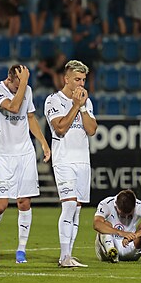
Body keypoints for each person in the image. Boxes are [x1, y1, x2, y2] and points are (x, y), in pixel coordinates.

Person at [0, 65, 51, 264]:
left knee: (24, 202)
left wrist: (43, 142)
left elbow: (30, 117)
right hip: (3, 155)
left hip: (25, 153)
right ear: (9, 78)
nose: (20, 88)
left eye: (22, 84)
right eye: (17, 84)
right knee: (1, 205)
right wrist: (23, 84)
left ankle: (21, 249)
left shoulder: (26, 89)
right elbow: (13, 107)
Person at [44, 60, 97, 268]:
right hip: (64, 160)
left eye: (83, 80)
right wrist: (76, 105)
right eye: (77, 79)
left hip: (83, 161)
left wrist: (83, 107)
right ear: (66, 79)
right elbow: (60, 128)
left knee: (76, 209)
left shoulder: (87, 102)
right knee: (68, 205)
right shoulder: (53, 100)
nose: (81, 84)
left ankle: (69, 255)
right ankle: (64, 257)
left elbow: (92, 130)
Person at [93, 189, 141, 263]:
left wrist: (135, 235)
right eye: (123, 214)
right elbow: (97, 224)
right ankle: (111, 252)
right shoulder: (106, 204)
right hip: (108, 246)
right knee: (105, 225)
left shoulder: (140, 205)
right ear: (116, 206)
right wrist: (120, 232)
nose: (126, 216)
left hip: (131, 246)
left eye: (129, 214)